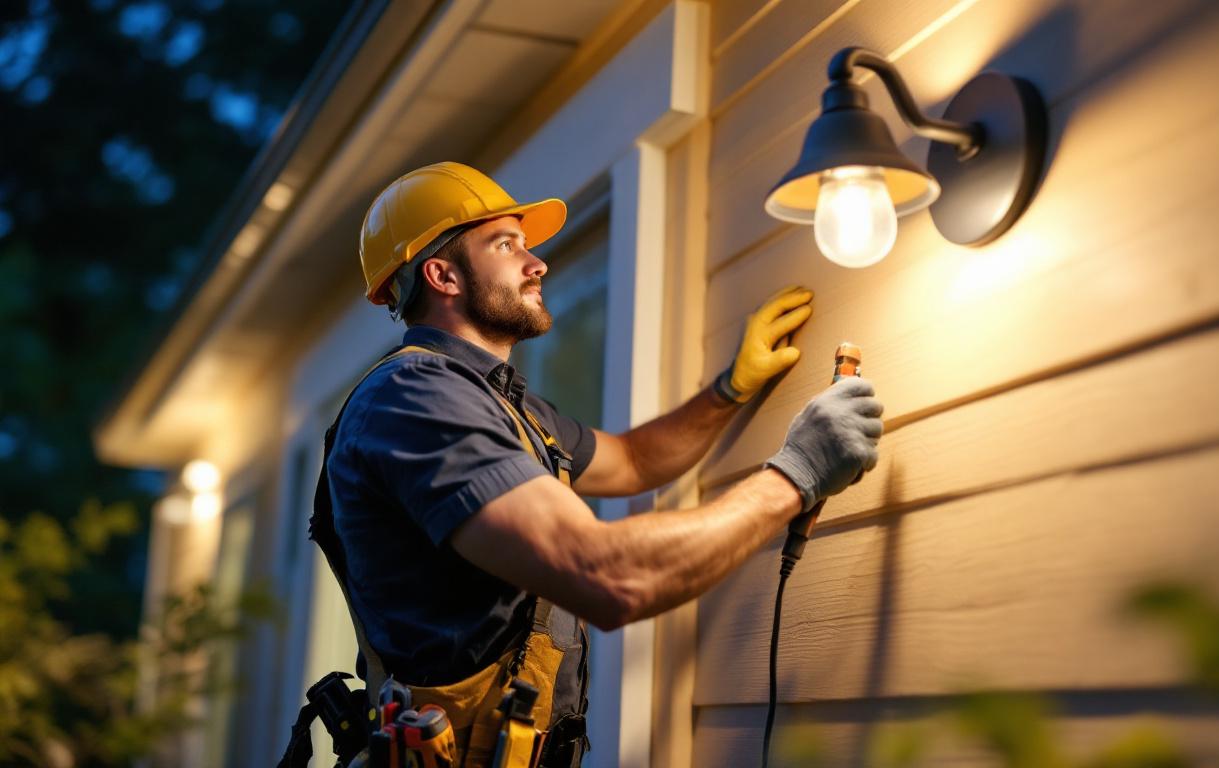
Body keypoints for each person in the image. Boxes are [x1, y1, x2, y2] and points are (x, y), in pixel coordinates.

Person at [319, 162, 883, 767]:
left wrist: (729, 388)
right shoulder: (417, 400)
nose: (537, 263)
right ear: (442, 274)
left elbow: (633, 461)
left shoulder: (497, 402)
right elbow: (606, 575)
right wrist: (798, 473)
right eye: (507, 244)